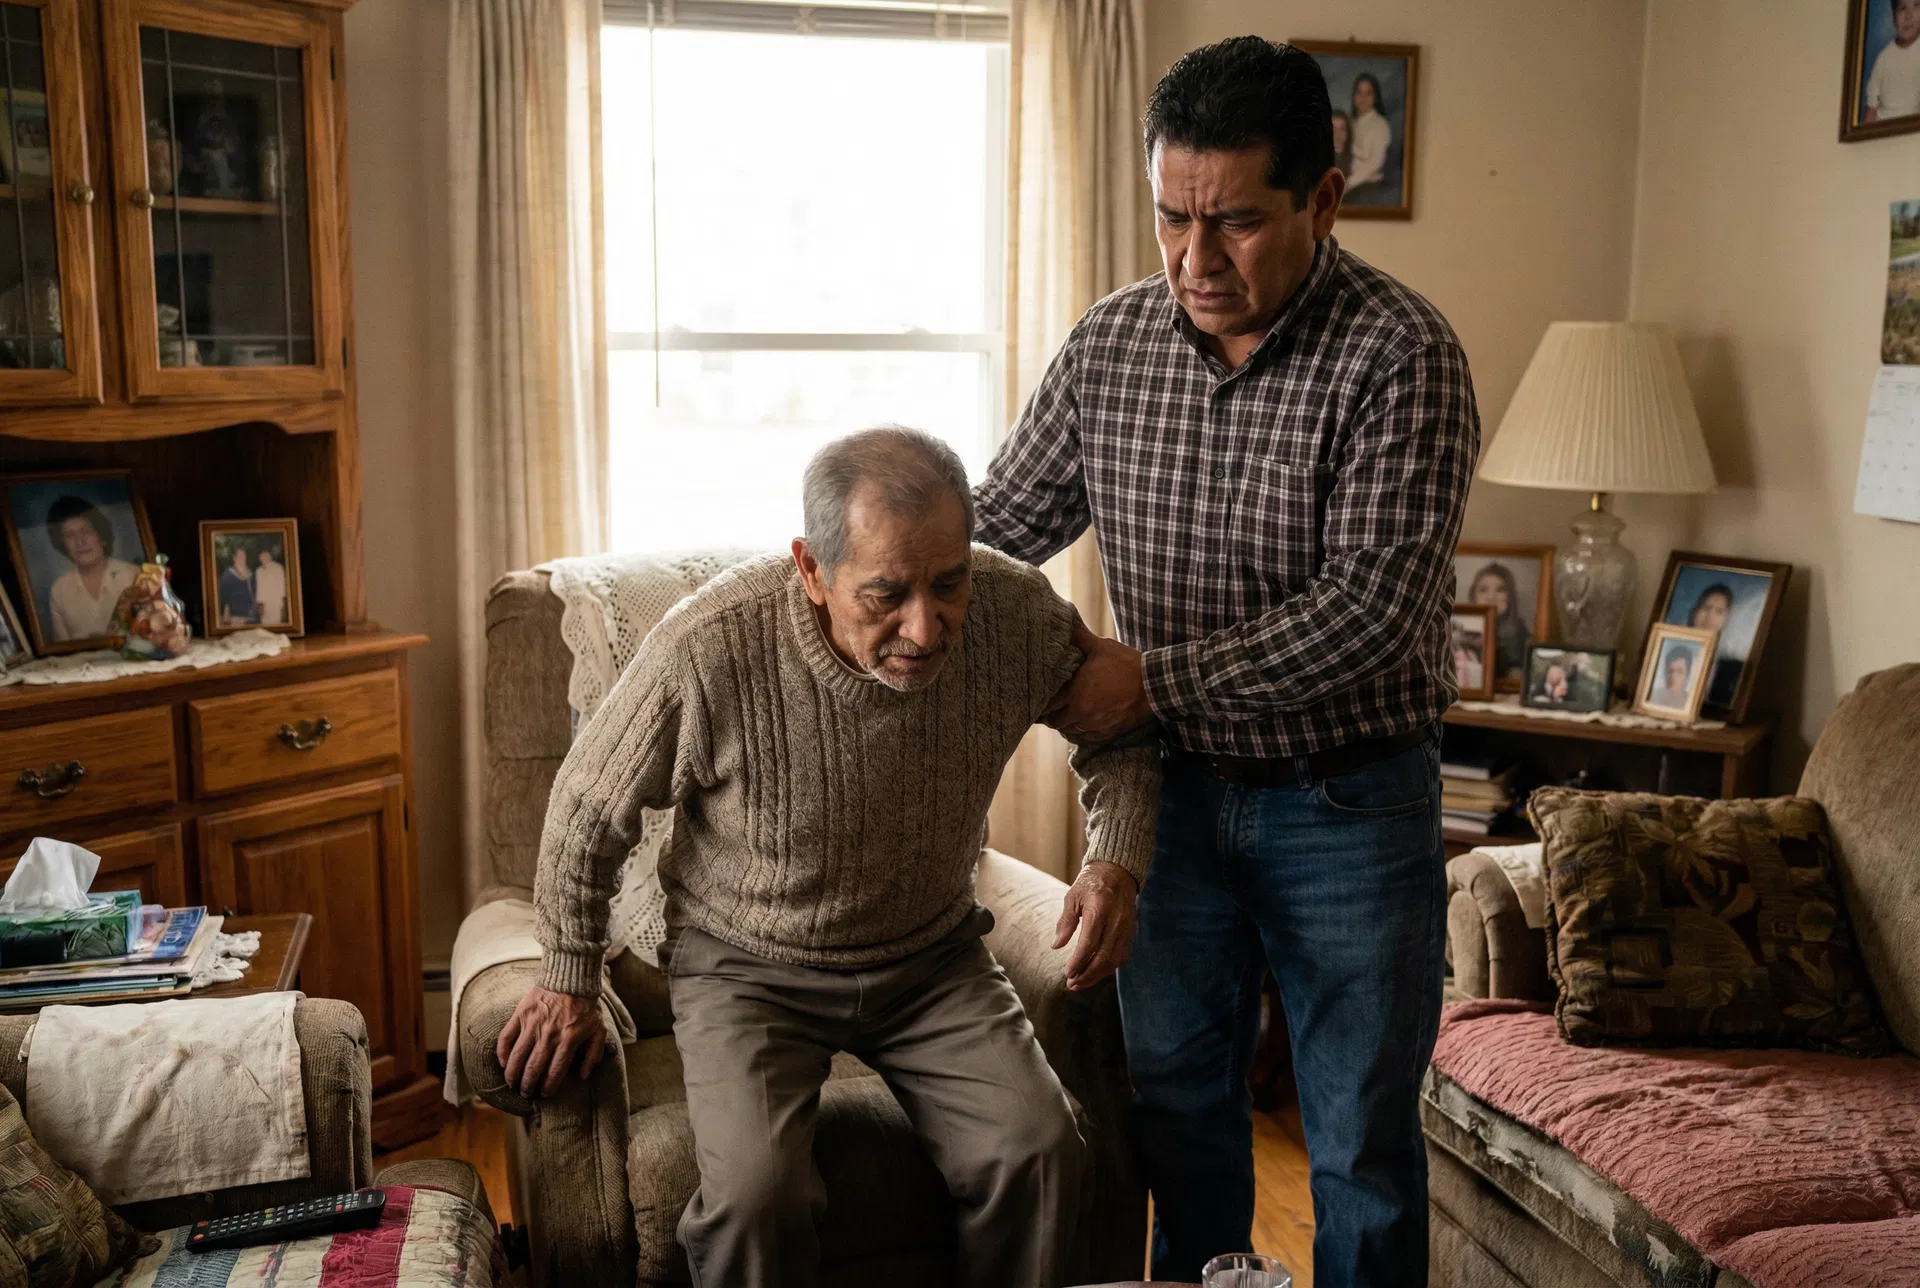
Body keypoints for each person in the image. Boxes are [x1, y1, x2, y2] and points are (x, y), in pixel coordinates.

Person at [973, 36, 1479, 1287]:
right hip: (1172, 807)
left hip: (1350, 804)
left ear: (1323, 199)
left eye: (1236, 222)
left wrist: (1149, 680)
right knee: (1179, 1110)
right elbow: (1000, 527)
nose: (1194, 259)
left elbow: (1368, 611)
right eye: (1171, 217)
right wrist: (848, 567)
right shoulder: (1109, 346)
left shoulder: (1403, 355)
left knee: (1359, 1144)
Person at [499, 427, 1160, 1288]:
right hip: (747, 970)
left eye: (948, 583)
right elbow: (589, 807)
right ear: (812, 570)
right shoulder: (712, 642)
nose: (924, 627)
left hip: (932, 961)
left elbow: (1121, 730)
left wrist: (1113, 861)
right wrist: (568, 976)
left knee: (1040, 1152)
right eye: (886, 594)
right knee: (755, 1201)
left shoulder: (1015, 611)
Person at [43, 497, 139, 642]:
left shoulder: (134, 575)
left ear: (101, 535)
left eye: (86, 531)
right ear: (62, 544)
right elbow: (62, 648)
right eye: (70, 535)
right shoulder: (59, 589)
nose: (80, 542)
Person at [1469, 562, 1530, 683]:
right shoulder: (1460, 629)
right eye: (1483, 590)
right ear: (1474, 596)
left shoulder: (1519, 631)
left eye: (1500, 590)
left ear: (1510, 596)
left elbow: (1517, 675)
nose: (1491, 597)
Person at [1685, 581, 1740, 706]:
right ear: (1695, 611)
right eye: (1706, 608)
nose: (1710, 616)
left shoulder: (1731, 668)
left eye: (1719, 611)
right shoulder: (1668, 647)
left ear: (1726, 619)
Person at [1866, 0, 1920, 122]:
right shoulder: (1883, 59)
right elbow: (1871, 108)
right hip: (1885, 127)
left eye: (1916, 6)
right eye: (1902, 8)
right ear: (1894, 17)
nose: (1908, 16)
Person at [1345, 72, 1391, 194]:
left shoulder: (1380, 125)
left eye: (1368, 93)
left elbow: (1376, 162)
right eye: (1359, 92)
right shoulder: (1352, 123)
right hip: (1349, 184)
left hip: (1368, 187)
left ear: (1375, 97)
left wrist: (1349, 183)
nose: (1363, 98)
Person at [218, 545, 256, 627]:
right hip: (234, 618)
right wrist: (225, 616)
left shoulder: (251, 575)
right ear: (234, 558)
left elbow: (255, 594)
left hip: (251, 617)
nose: (242, 558)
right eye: (240, 556)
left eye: (244, 556)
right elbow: (223, 597)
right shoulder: (227, 575)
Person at [1650, 646, 1695, 710]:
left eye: (1680, 671)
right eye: (1670, 671)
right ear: (1665, 672)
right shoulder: (1654, 695)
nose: (1673, 676)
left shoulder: (1690, 702)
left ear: (1687, 675)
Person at [253, 545, 289, 625]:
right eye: (262, 556)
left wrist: (282, 605)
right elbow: (259, 588)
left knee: (276, 624)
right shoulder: (258, 571)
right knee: (264, 625)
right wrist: (260, 605)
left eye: (266, 555)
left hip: (275, 603)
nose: (264, 558)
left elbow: (282, 586)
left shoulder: (277, 568)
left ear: (270, 556)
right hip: (264, 604)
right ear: (259, 558)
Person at [1329, 109, 1353, 176]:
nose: (1337, 134)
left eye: (1342, 129)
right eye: (1333, 129)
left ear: (1348, 132)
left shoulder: (1354, 158)